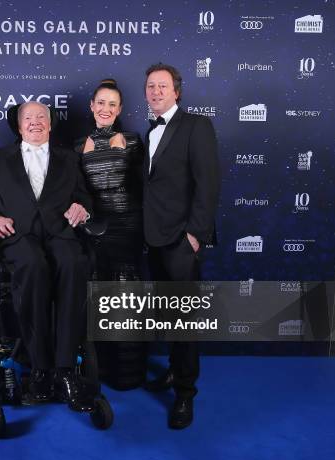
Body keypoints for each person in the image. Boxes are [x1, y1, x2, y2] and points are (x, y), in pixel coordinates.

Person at [0, 101, 94, 411]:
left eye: (41, 117)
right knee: (33, 264)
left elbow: (84, 196)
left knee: (73, 262)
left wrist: (81, 207)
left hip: (59, 232)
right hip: (18, 235)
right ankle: (40, 368)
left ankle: (66, 369)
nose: (35, 123)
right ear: (18, 126)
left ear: (51, 124)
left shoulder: (69, 158)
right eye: (28, 118)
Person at [142, 63, 220, 428]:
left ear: (177, 91)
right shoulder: (149, 131)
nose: (156, 91)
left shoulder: (197, 126)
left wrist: (195, 234)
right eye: (151, 86)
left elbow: (208, 184)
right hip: (154, 238)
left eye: (163, 86)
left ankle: (186, 395)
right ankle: (174, 371)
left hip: (181, 239)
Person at [74, 79, 147, 389]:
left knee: (125, 295)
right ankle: (98, 367)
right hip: (93, 229)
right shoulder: (77, 146)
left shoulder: (133, 140)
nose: (105, 109)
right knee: (97, 295)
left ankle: (127, 373)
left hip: (126, 226)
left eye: (112, 104)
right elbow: (75, 191)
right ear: (92, 106)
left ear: (120, 110)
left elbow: (144, 186)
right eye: (100, 103)